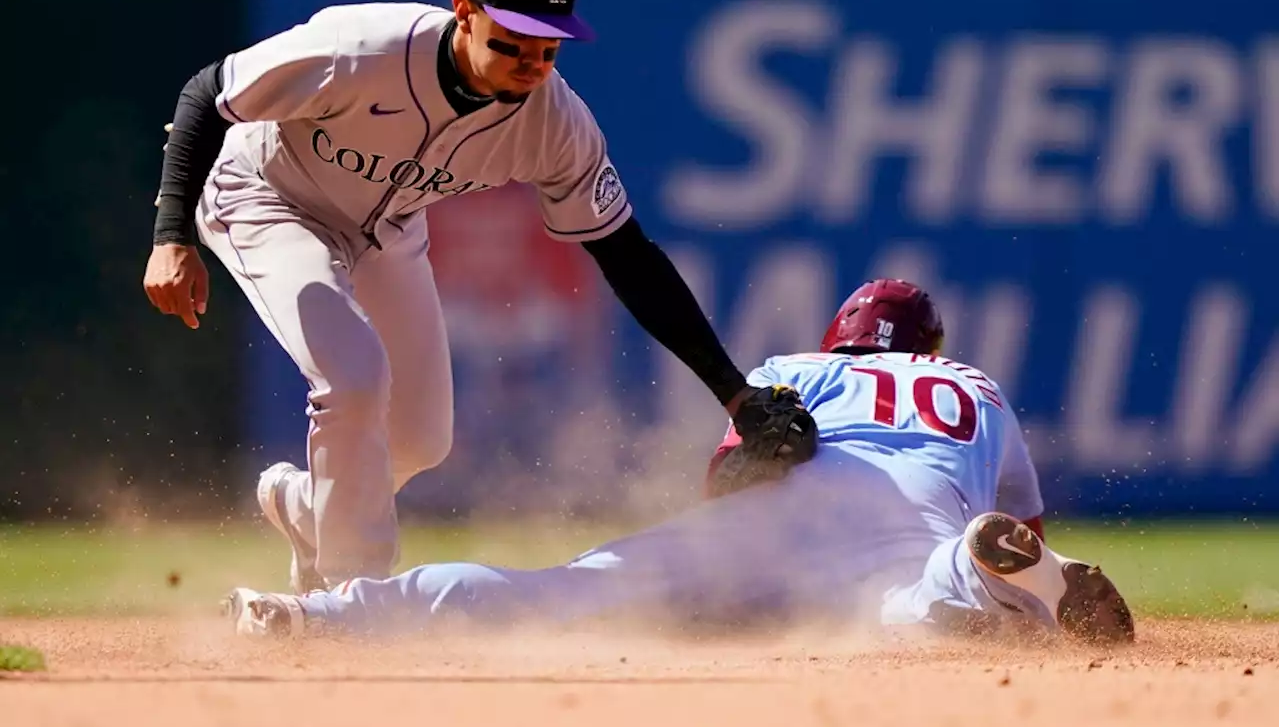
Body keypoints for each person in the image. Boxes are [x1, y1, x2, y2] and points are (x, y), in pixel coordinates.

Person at [141, 0, 816, 595]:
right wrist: (172, 236)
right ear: (463, 12)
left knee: (418, 441)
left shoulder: (554, 123)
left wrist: (734, 392)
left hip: (389, 230)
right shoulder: (362, 48)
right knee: (352, 377)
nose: (529, 62)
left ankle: (308, 508)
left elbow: (628, 256)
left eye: (547, 47)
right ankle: (350, 597)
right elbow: (208, 94)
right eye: (510, 41)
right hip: (268, 197)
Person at [221, 279, 1135, 645]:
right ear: (929, 346)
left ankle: (316, 616)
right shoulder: (974, 386)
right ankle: (970, 583)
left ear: (840, 341)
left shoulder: (790, 370)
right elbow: (1035, 526)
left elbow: (733, 478)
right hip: (910, 529)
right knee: (903, 603)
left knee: (559, 594)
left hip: (765, 524)